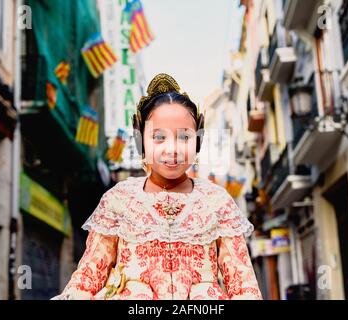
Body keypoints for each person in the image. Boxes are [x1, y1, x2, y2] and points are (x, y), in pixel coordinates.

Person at [52, 73, 262, 300]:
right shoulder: (118, 200)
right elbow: (86, 279)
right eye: (159, 137)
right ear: (140, 140)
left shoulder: (217, 201)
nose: (172, 149)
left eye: (184, 137)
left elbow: (244, 288)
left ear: (198, 140)